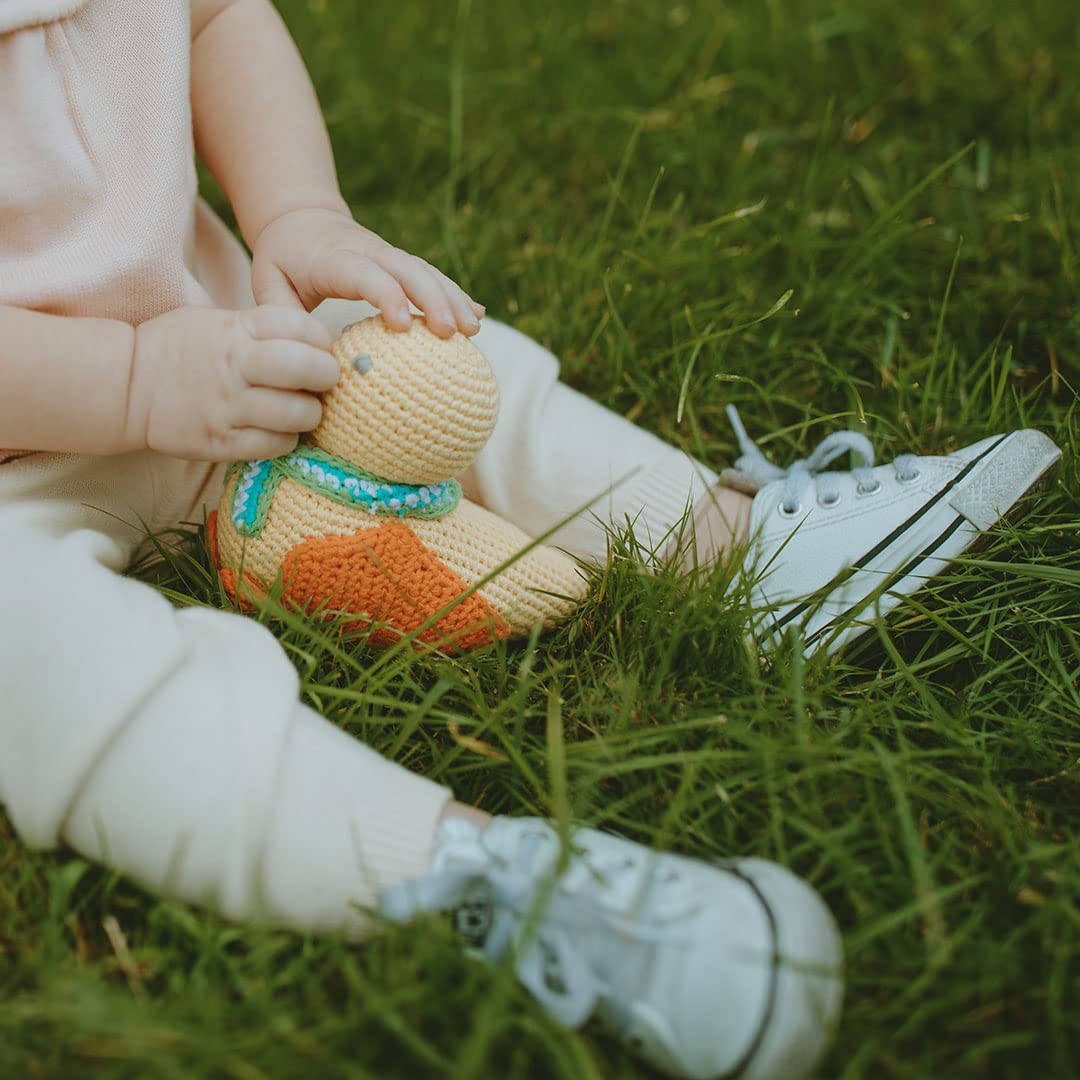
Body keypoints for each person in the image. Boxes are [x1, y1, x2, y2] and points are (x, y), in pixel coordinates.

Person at [0, 2, 1059, 1077]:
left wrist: (298, 215)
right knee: (35, 654)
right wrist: (131, 385)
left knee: (426, 369)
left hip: (218, 338)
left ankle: (732, 552)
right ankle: (473, 873)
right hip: (15, 467)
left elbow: (217, 17)